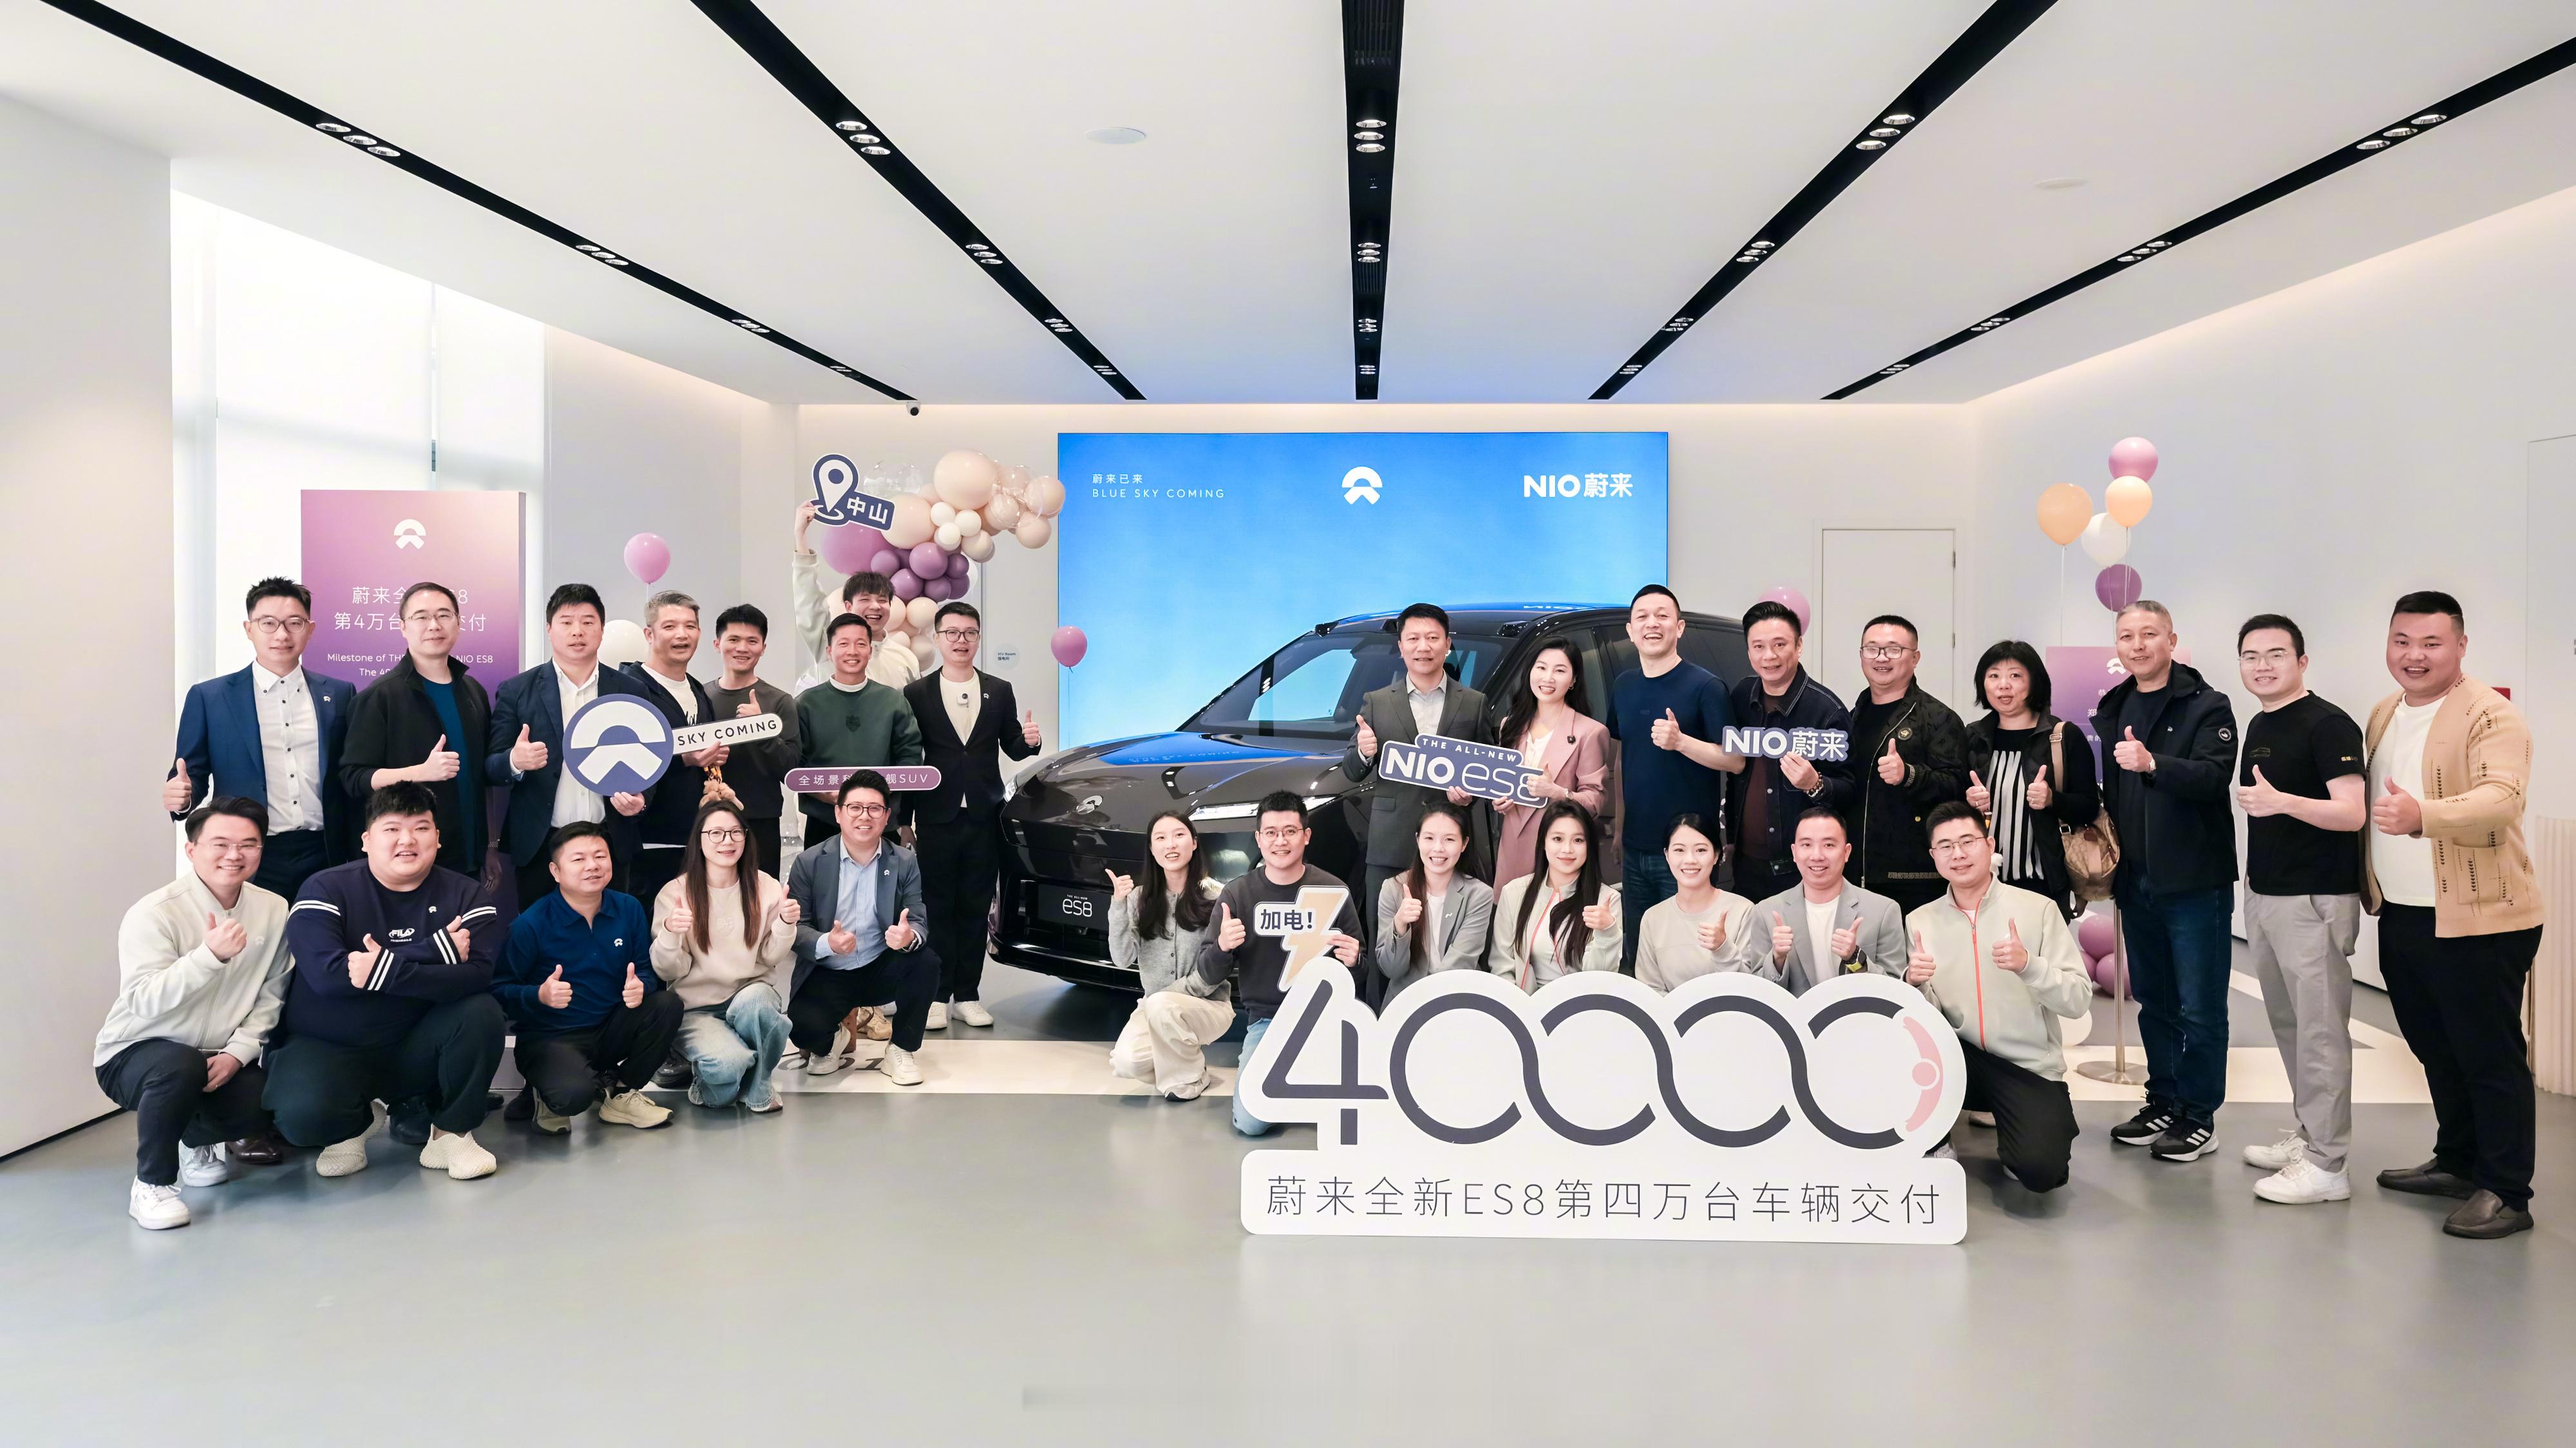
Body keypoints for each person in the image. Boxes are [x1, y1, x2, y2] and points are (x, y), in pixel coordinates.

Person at [2364, 591, 2544, 1239]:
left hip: (2481, 917)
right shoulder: (2385, 711)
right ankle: (2458, 1161)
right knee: (2435, 1048)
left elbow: (2503, 797)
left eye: (2431, 643)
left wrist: (2425, 816)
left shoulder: (2491, 715)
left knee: (2488, 1054)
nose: (2414, 656)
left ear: (2460, 646)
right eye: (2402, 641)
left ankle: (2506, 1190)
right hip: (2404, 913)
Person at [265, 783, 506, 1181]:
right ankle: (355, 1125)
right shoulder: (324, 887)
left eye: (421, 828)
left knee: (481, 1012)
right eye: (392, 829)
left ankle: (451, 1133)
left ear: (438, 838)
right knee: (302, 1120)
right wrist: (434, 950)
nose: (407, 840)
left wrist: (385, 969)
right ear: (366, 840)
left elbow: (475, 976)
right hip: (331, 1046)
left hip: (416, 1048)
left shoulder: (467, 895)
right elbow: (328, 977)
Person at [2226, 614, 2369, 1205]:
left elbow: (2352, 812)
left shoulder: (2328, 724)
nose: (2262, 666)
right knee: (2290, 1024)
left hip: (2314, 898)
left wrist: (2283, 802)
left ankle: (2329, 1164)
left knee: (2320, 1032)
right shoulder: (2262, 721)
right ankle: (2310, 1137)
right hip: (2266, 895)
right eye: (2251, 655)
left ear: (2302, 661)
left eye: (2276, 654)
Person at [96, 799, 292, 1229]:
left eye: (248, 844)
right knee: (179, 1064)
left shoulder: (274, 909)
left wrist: (238, 1053)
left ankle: (194, 1138)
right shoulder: (155, 912)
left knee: (277, 1097)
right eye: (220, 844)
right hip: (134, 1053)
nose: (234, 855)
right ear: (192, 850)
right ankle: (152, 1185)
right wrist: (208, 957)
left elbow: (272, 994)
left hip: (218, 1056)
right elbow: (143, 1001)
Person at [2090, 600, 2239, 1164]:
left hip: (2195, 882)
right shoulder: (2116, 704)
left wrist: (2153, 763)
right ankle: (2165, 1100)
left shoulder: (2207, 705)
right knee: (2154, 1001)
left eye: (2149, 634)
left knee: (2200, 1006)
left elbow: (2213, 777)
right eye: (2127, 636)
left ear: (2171, 641)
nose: (2138, 645)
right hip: (2137, 881)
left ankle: (2199, 1116)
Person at [1902, 803, 2090, 1194]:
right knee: (1898, 1052)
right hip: (1961, 1059)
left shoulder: (2038, 909)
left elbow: (2078, 1001)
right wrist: (1915, 985)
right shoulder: (1920, 920)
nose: (1958, 854)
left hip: (2026, 1066)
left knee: (2041, 1172)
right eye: (1945, 846)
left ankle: (2020, 1134)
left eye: (1967, 841)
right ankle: (1936, 1140)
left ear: (1989, 845)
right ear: (1934, 856)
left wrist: (2029, 966)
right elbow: (1925, 1021)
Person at [166, 576, 355, 900]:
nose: (282, 635)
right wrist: (182, 798)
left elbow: (351, 773)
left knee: (323, 932)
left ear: (310, 629)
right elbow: (190, 774)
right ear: (249, 629)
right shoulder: (210, 698)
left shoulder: (340, 694)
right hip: (250, 851)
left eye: (294, 623)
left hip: (326, 850)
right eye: (268, 623)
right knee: (252, 933)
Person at [1189, 792, 1365, 1137]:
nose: (1280, 841)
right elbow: (1208, 974)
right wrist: (1222, 947)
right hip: (1267, 1022)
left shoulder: (1333, 890)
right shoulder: (1237, 894)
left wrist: (1356, 961)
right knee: (1251, 1123)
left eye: (1290, 831)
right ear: (1258, 839)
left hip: (1325, 1020)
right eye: (1270, 832)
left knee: (1349, 1117)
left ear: (1306, 836)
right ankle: (1281, 1075)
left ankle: (1300, 1074)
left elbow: (1361, 975)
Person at [902, 601, 1042, 1029]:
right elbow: (908, 759)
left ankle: (967, 994)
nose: (961, 640)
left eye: (969, 633)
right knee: (936, 907)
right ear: (937, 638)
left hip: (983, 815)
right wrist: (902, 821)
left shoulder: (998, 689)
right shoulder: (917, 693)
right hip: (935, 816)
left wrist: (1030, 741)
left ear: (978, 638)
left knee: (977, 907)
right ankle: (936, 995)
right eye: (952, 633)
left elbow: (1012, 746)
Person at [491, 823, 680, 1134]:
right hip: (551, 1037)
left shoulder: (629, 908)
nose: (592, 866)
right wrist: (539, 995)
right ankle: (543, 1091)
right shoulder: (531, 924)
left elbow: (645, 970)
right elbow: (499, 991)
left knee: (667, 1004)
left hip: (609, 1029)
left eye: (600, 856)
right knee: (573, 1097)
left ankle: (621, 1094)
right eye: (578, 859)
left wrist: (641, 987)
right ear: (555, 871)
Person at [1340, 604, 1488, 968]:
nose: (1424, 647)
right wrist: (1364, 753)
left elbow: (1486, 774)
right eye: (1414, 639)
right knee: (1386, 943)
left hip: (1448, 846)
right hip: (1391, 843)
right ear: (1401, 646)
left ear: (1448, 644)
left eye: (1433, 638)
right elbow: (1351, 771)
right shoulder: (1377, 702)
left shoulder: (1474, 703)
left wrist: (1469, 795)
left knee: (1446, 941)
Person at [486, 583, 651, 911]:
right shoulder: (517, 690)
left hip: (609, 842)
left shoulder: (631, 690)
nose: (578, 631)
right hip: (541, 844)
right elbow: (492, 766)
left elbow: (649, 759)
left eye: (588, 622)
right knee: (540, 934)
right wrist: (515, 761)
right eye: (567, 622)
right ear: (550, 629)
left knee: (609, 932)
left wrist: (641, 800)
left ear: (602, 630)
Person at [1605, 586, 1739, 971]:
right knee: (1638, 954)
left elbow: (1735, 761)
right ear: (1630, 631)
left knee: (1688, 957)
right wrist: (1620, 828)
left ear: (1679, 628)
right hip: (1635, 848)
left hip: (1688, 853)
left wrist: (1681, 742)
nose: (1652, 624)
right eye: (1642, 617)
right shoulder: (1624, 685)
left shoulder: (1706, 687)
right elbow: (1623, 759)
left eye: (1662, 616)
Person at [784, 771, 939, 1086]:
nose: (864, 816)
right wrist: (827, 943)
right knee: (802, 1027)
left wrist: (908, 937)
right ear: (838, 813)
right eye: (855, 808)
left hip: (880, 965)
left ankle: (901, 1049)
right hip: (829, 969)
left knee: (927, 963)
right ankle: (833, 1040)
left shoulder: (904, 861)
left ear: (886, 817)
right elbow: (798, 929)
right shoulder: (809, 862)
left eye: (874, 809)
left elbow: (918, 919)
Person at [650, 801, 799, 1112]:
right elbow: (668, 971)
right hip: (697, 1010)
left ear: (746, 837)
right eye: (716, 833)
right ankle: (712, 1078)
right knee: (727, 1067)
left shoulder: (765, 886)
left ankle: (759, 1087)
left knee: (759, 1003)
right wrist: (671, 932)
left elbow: (770, 956)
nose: (727, 841)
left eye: (735, 832)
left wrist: (786, 924)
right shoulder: (675, 893)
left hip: (748, 997)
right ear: (699, 840)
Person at [339, 582, 491, 877]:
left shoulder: (474, 692)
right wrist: (419, 773)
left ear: (459, 623)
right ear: (403, 627)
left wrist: (490, 848)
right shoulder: (379, 697)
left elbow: (482, 781)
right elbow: (354, 778)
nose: (434, 625)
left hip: (470, 856)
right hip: (408, 859)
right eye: (421, 617)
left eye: (444, 615)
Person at [1962, 640, 2101, 917]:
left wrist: (2052, 800)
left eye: (2015, 676)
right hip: (1980, 882)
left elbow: (2089, 807)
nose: (2003, 685)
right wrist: (1966, 801)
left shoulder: (2063, 736)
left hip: (2042, 884)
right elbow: (1949, 810)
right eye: (1994, 676)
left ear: (2034, 682)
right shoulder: (1973, 737)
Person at [1728, 600, 1856, 902]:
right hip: (1745, 864)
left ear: (1799, 646)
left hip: (1800, 869)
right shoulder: (1742, 696)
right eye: (1758, 646)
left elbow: (1850, 790)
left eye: (1779, 645)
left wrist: (1815, 784)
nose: (1769, 656)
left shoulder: (1826, 711)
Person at [1845, 614, 1966, 915]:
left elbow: (1956, 787)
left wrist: (1908, 775)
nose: (1881, 657)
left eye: (1893, 649)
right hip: (1853, 873)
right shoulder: (1850, 717)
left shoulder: (1938, 718)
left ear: (1915, 658)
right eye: (1872, 649)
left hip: (1913, 877)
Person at [1106, 809, 1231, 1099]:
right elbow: (1122, 959)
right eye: (1161, 838)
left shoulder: (1218, 897)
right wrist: (1118, 904)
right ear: (1152, 849)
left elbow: (1213, 974)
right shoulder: (1138, 898)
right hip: (1155, 1007)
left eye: (1179, 835)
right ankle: (1186, 1061)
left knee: (1163, 1007)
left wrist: (1161, 1000)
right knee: (1126, 1062)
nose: (1171, 845)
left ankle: (1191, 1079)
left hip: (1208, 1007)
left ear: (1194, 843)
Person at [623, 590, 729, 907]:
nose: (682, 635)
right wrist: (684, 759)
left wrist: (712, 761)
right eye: (670, 626)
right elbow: (623, 759)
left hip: (696, 842)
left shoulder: (697, 689)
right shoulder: (629, 688)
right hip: (649, 844)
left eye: (690, 626)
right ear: (649, 634)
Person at [792, 614, 926, 844]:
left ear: (870, 651)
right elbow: (796, 761)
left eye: (861, 644)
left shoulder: (892, 701)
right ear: (829, 651)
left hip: (881, 818)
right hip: (825, 819)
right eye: (843, 644)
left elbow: (910, 755)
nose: (852, 651)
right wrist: (823, 794)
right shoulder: (806, 704)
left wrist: (876, 796)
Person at [1490, 636, 1609, 893]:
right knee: (1509, 916)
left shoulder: (1590, 732)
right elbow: (1504, 783)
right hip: (1512, 851)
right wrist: (1499, 801)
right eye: (1541, 668)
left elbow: (1595, 801)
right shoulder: (1510, 725)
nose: (1548, 678)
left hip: (1559, 856)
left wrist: (1557, 793)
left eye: (1560, 671)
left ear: (1574, 680)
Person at [1746, 807, 1909, 994]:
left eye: (1829, 845)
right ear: (1794, 852)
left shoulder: (1883, 910)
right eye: (1807, 845)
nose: (1817, 856)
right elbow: (1758, 994)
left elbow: (1896, 990)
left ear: (1846, 852)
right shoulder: (1766, 912)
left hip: (1857, 1013)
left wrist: (1856, 959)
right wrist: (1777, 959)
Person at [705, 603, 803, 879]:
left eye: (752, 641)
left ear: (763, 648)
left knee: (762, 898)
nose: (742, 648)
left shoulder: (779, 701)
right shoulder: (700, 697)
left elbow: (791, 770)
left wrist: (761, 728)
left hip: (762, 822)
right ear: (717, 644)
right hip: (709, 821)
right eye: (733, 640)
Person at [1487, 801, 1623, 991]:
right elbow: (1502, 967)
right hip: (1527, 1004)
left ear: (1589, 846)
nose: (1567, 849)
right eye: (1558, 839)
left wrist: (1607, 932)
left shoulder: (1607, 899)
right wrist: (1519, 1006)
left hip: (1582, 1004)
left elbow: (1601, 980)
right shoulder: (1514, 893)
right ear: (1543, 842)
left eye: (1578, 840)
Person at [1374, 802, 1495, 1005]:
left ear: (1464, 844)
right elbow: (1391, 969)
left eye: (1449, 839)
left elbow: (1462, 962)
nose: (1438, 848)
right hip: (1404, 1002)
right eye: (1429, 838)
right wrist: (1400, 924)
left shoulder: (1479, 894)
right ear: (1418, 840)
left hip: (1456, 1001)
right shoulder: (1393, 889)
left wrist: (1429, 1005)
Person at [793, 503, 922, 689]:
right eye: (865, 599)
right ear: (848, 606)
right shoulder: (831, 645)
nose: (875, 606)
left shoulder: (906, 658)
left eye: (882, 600)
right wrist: (800, 535)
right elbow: (809, 603)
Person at [1634, 814, 1759, 993]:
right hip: (1671, 1012)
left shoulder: (1743, 910)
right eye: (1679, 850)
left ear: (1716, 855)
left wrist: (1723, 948)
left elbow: (1752, 989)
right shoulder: (1653, 918)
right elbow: (1650, 990)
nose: (1690, 860)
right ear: (1667, 855)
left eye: (1701, 850)